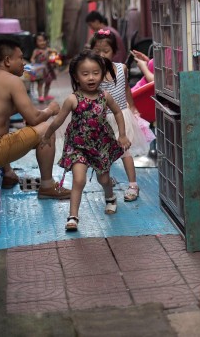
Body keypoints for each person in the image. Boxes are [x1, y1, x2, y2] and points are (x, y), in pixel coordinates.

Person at [0, 39, 71, 199]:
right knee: (46, 128)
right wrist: (51, 109)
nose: (23, 62)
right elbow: (34, 118)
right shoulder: (12, 81)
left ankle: (7, 173)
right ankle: (47, 186)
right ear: (7, 61)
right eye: (20, 58)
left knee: (5, 125)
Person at [41, 50, 131, 231]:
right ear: (76, 76)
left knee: (104, 179)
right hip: (78, 146)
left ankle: (110, 197)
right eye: (85, 74)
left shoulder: (105, 96)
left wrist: (122, 135)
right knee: (79, 179)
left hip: (101, 145)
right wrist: (46, 135)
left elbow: (118, 112)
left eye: (96, 73)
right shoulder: (72, 99)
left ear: (102, 74)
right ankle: (73, 216)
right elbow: (58, 120)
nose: (91, 78)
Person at [91, 30, 152, 202]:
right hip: (102, 119)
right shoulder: (92, 73)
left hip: (121, 117)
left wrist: (132, 107)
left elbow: (126, 89)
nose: (101, 55)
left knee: (126, 151)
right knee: (104, 153)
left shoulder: (121, 68)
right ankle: (107, 181)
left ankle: (133, 184)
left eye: (106, 51)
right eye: (97, 51)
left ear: (114, 51)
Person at [30, 32, 57, 103]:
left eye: (43, 40)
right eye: (39, 41)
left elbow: (55, 53)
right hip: (40, 70)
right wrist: (33, 61)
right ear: (36, 42)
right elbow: (32, 58)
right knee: (40, 83)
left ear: (46, 41)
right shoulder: (36, 51)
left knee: (48, 83)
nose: (42, 42)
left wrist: (52, 52)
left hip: (48, 69)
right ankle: (40, 96)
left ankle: (46, 95)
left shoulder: (48, 49)